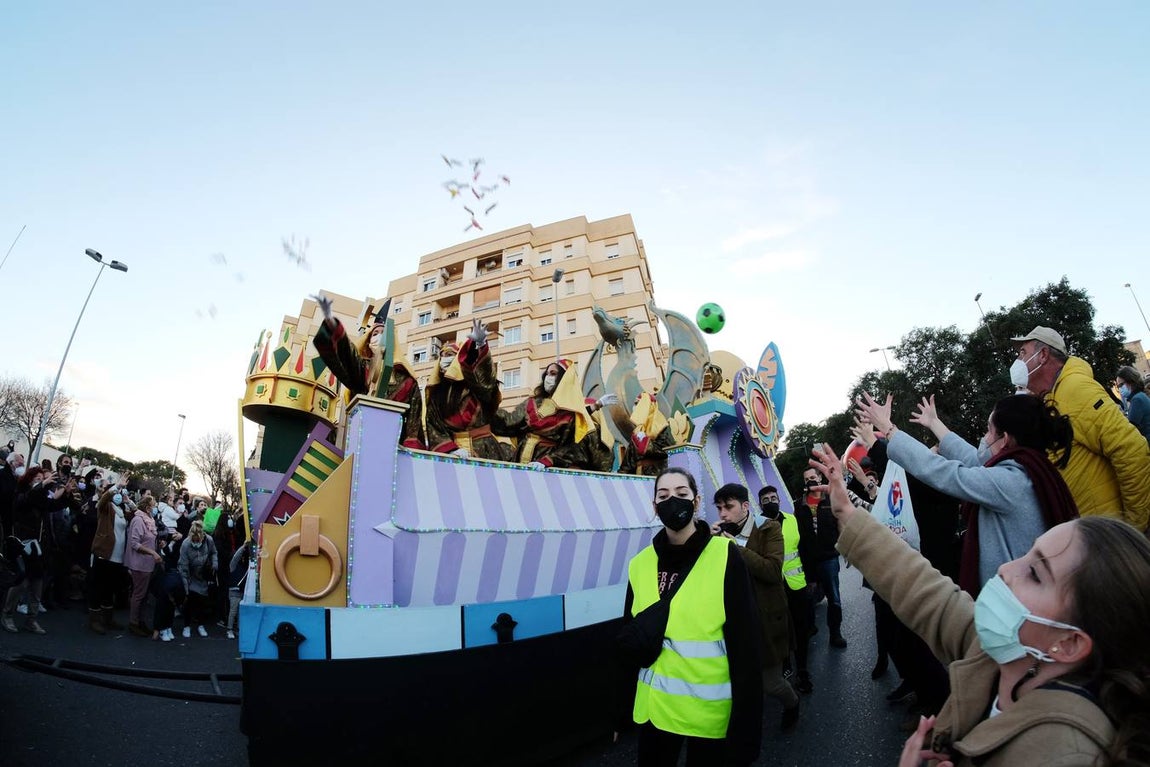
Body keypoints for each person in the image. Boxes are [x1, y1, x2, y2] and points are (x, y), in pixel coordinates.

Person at [808, 442, 1150, 767]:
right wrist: (847, 512)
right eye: (1028, 551)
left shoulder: (1061, 755)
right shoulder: (1008, 654)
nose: (1005, 568)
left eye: (1034, 572)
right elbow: (926, 591)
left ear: (1070, 643)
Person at [856, 392, 1079, 597]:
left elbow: (945, 472)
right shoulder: (1027, 468)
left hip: (1014, 601)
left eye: (988, 430)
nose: (984, 437)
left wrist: (888, 428)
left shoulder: (1009, 481)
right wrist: (934, 423)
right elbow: (973, 459)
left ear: (1006, 439)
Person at [619, 467, 762, 766]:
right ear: (655, 507)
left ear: (696, 502)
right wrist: (619, 710)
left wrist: (745, 726)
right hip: (654, 712)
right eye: (664, 495)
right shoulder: (639, 564)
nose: (673, 501)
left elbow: (746, 643)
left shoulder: (725, 555)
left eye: (682, 494)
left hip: (707, 716)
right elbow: (630, 639)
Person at [1010, 326, 1150, 529]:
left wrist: (1134, 526)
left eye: (1023, 353)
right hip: (1090, 534)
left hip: (1107, 537)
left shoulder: (1075, 389)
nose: (1018, 361)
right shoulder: (1054, 395)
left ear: (1043, 355)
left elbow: (1132, 451)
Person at [713, 483, 800, 731]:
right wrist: (709, 545)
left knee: (771, 683)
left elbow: (773, 571)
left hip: (765, 616)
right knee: (739, 679)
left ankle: (792, 703)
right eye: (719, 508)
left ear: (745, 506)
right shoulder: (721, 533)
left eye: (728, 507)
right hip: (735, 617)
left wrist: (736, 547)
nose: (723, 514)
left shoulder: (768, 529)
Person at [312, 294, 425, 449]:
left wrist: (411, 451)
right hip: (361, 440)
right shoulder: (363, 369)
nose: (378, 337)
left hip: (395, 447)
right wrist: (332, 324)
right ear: (369, 340)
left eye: (383, 333)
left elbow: (415, 423)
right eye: (374, 334)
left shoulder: (409, 382)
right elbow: (346, 354)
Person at [492, 359, 615, 470]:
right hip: (522, 458)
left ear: (564, 379)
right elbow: (508, 423)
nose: (547, 377)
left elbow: (575, 443)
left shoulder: (576, 408)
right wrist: (486, 401)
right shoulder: (532, 402)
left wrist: (549, 461)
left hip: (552, 464)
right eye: (547, 374)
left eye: (553, 374)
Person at [424, 319, 508, 460]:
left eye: (450, 355)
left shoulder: (473, 383)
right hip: (454, 451)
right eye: (443, 356)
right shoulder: (436, 394)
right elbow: (433, 425)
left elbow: (485, 378)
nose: (445, 359)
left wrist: (479, 345)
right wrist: (450, 449)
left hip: (485, 448)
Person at [758, 484, 814, 695]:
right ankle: (784, 666)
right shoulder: (758, 525)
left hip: (797, 584)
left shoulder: (792, 520)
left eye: (774, 498)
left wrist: (811, 579)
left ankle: (803, 670)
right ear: (760, 504)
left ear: (779, 499)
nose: (771, 502)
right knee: (779, 631)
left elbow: (804, 549)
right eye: (766, 500)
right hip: (772, 588)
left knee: (801, 629)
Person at [793, 467, 846, 648]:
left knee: (834, 597)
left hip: (829, 557)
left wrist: (845, 549)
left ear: (820, 477)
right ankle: (810, 628)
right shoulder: (798, 505)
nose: (810, 481)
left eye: (813, 477)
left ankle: (835, 633)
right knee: (807, 597)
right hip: (808, 560)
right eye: (807, 479)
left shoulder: (830, 499)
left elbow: (840, 524)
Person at [88, 479, 133, 634]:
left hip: (117, 556)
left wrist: (128, 501)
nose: (119, 494)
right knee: (98, 586)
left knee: (110, 587)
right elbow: (104, 498)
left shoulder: (121, 511)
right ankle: (94, 619)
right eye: (117, 492)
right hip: (104, 554)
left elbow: (135, 513)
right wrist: (117, 486)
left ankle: (108, 619)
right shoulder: (105, 507)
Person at [123, 495, 162, 636]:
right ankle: (133, 623)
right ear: (147, 507)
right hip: (139, 564)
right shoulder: (138, 520)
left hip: (147, 564)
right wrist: (152, 552)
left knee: (143, 595)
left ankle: (141, 622)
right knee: (138, 595)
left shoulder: (148, 520)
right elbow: (134, 543)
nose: (155, 506)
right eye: (154, 504)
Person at [177, 519, 217, 638]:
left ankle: (201, 625)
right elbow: (183, 566)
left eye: (198, 540)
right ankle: (187, 626)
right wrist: (186, 586)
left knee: (202, 601)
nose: (196, 542)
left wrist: (215, 564)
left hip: (203, 574)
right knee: (190, 600)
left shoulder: (209, 540)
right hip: (190, 574)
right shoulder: (185, 544)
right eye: (193, 540)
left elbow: (214, 553)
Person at [1115, 365, 1150, 445]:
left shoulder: (1137, 399)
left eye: (1121, 385)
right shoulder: (1140, 396)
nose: (1120, 389)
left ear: (1130, 381)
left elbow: (1130, 428)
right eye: (1118, 387)